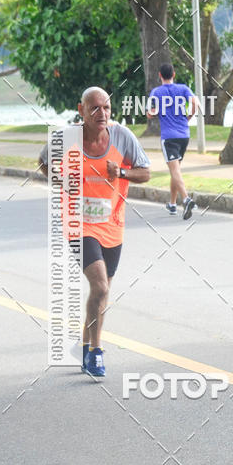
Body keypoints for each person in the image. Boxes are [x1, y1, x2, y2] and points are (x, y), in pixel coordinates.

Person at [40, 87, 151, 377]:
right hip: (78, 223)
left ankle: (84, 345)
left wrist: (121, 173)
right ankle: (96, 353)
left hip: (112, 225)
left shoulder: (123, 137)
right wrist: (61, 181)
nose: (102, 114)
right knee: (100, 287)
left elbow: (146, 172)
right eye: (95, 108)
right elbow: (43, 162)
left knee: (102, 293)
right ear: (81, 110)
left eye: (106, 108)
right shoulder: (66, 137)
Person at [146, 62, 197, 219]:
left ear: (160, 75)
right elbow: (194, 102)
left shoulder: (156, 92)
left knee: (174, 171)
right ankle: (173, 205)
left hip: (169, 137)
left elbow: (150, 113)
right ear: (173, 74)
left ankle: (186, 199)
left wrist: (154, 113)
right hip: (184, 135)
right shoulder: (183, 89)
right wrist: (189, 116)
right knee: (176, 171)